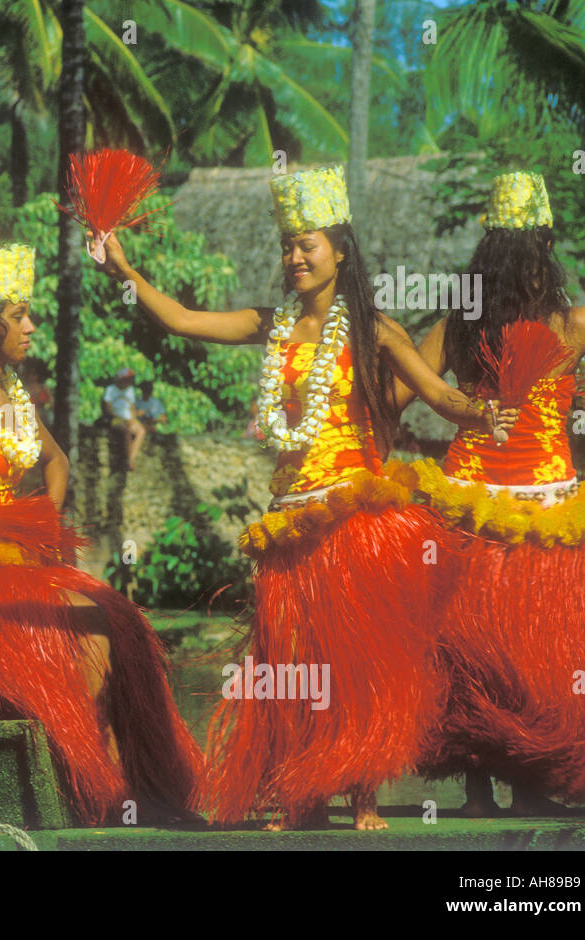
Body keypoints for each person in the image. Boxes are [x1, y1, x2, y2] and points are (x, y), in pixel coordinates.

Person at [96, 164, 514, 830]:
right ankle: (300, 794)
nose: (293, 256)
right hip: (291, 521)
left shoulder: (373, 331)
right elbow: (182, 321)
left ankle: (365, 795)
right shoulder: (274, 326)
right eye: (287, 245)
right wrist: (128, 273)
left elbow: (438, 395)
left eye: (307, 244)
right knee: (291, 661)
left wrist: (482, 413)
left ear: (339, 250)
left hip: (353, 516)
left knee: (354, 661)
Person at [0, 245, 206, 825]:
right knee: (85, 638)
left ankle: (117, 782)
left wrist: (47, 523)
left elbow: (56, 462)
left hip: (16, 555)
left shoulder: (12, 398)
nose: (31, 326)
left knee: (112, 619)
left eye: (30, 314)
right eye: (19, 314)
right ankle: (84, 786)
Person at [391, 171, 585, 814]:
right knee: (498, 651)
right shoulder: (550, 324)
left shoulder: (480, 328)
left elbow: (395, 396)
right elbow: (400, 393)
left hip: (508, 509)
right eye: (532, 253)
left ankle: (500, 789)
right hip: (496, 509)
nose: (536, 265)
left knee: (494, 647)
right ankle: (505, 790)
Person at [102, 367, 145, 470]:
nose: (129, 381)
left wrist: (133, 420)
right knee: (125, 431)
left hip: (128, 419)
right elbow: (108, 409)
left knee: (141, 431)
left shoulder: (130, 391)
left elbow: (132, 408)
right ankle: (125, 460)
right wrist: (122, 419)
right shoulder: (111, 390)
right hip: (115, 419)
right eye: (127, 379)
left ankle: (131, 459)